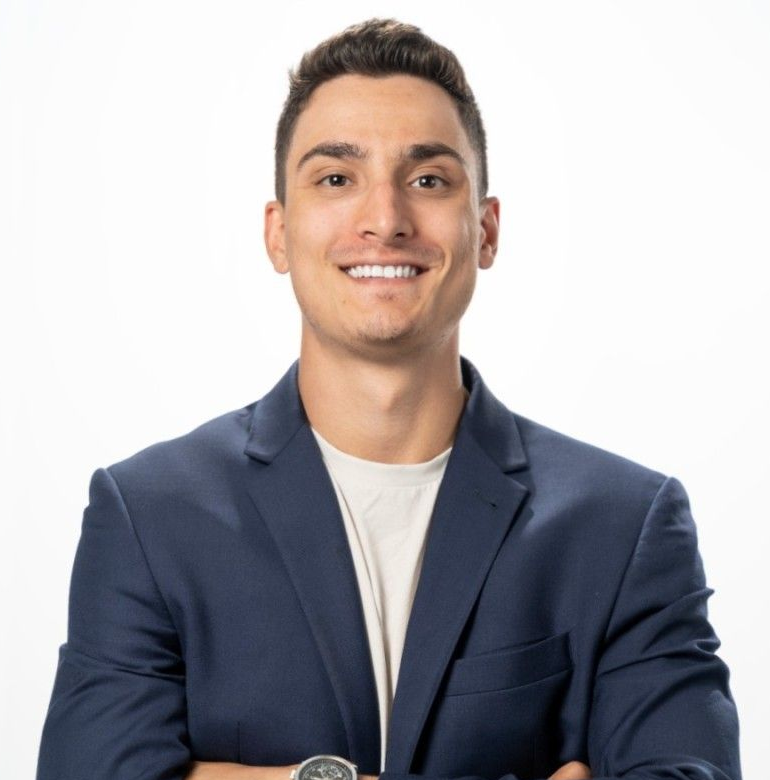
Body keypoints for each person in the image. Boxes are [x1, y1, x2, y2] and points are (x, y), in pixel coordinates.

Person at [36, 17, 741, 780]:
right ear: (279, 233)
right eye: (336, 179)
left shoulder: (624, 526)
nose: (385, 219)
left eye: (429, 179)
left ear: (487, 229)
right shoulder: (148, 516)